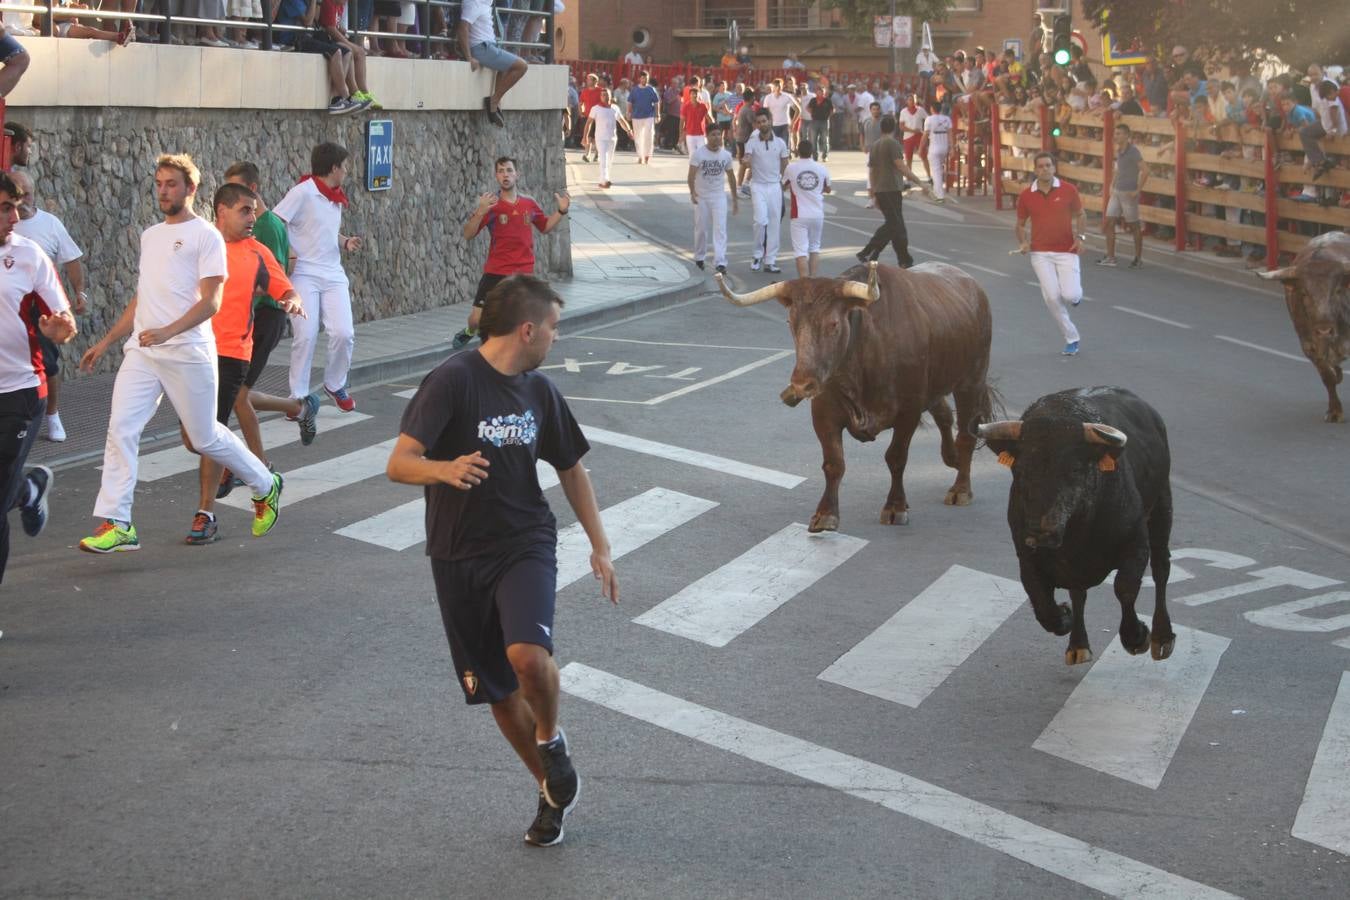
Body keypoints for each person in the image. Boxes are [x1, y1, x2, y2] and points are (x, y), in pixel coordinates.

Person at [385, 274, 618, 848]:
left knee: (527, 657)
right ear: (527, 329)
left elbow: (570, 467)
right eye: (554, 329)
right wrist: (442, 469)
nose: (556, 340)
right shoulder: (452, 381)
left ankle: (550, 739)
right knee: (494, 687)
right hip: (457, 552)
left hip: (525, 543)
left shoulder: (539, 392)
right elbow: (399, 461)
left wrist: (600, 543)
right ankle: (550, 789)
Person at [77, 154, 284, 553]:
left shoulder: (206, 236)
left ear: (190, 189)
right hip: (143, 351)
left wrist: (168, 331)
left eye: (171, 183)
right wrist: (107, 342)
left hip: (188, 351)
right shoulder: (151, 235)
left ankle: (264, 483)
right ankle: (118, 523)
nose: (163, 191)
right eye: (158, 183)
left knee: (204, 436)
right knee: (121, 428)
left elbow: (212, 302)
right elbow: (144, 296)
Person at [185, 183, 307, 545]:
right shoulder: (200, 244)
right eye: (245, 210)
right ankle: (250, 468)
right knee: (194, 439)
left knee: (208, 432)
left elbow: (287, 288)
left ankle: (205, 515)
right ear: (221, 210)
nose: (253, 217)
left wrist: (292, 301)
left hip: (231, 353)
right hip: (193, 351)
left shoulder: (257, 253)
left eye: (254, 210)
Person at [219, 162, 321, 489]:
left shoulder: (268, 228)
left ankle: (258, 467)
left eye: (241, 193)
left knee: (239, 397)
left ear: (254, 190)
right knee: (241, 396)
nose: (236, 202)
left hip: (265, 317)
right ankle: (299, 407)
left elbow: (272, 278)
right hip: (240, 321)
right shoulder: (227, 231)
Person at [0, 171, 76, 592]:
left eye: (15, 206)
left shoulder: (28, 255)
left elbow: (65, 320)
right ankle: (29, 490)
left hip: (20, 393)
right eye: (5, 207)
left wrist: (59, 330)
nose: (14, 216)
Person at [272, 143, 363, 417]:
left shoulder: (333, 196)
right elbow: (276, 221)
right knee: (306, 334)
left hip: (333, 273)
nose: (346, 172)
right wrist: (286, 253)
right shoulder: (303, 192)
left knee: (344, 333)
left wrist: (344, 241)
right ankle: (297, 398)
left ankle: (335, 384)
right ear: (333, 168)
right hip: (304, 274)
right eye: (344, 167)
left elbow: (322, 230)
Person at [451, 158, 569, 349]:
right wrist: (480, 212)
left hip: (523, 273)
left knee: (519, 319)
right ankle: (469, 332)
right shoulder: (491, 206)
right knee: (475, 320)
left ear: (516, 174)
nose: (505, 174)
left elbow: (545, 226)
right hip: (496, 271)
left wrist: (561, 212)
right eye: (500, 171)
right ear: (496, 176)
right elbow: (468, 234)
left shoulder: (528, 204)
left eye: (509, 170)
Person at [11, 171, 86, 443]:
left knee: (49, 363)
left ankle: (52, 415)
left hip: (40, 303)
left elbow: (72, 259)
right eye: (14, 198)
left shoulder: (49, 225)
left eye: (26, 194)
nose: (21, 204)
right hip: (10, 302)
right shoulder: (8, 227)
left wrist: (79, 293)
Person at [1016, 152, 1086, 356]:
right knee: (1052, 298)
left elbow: (1081, 214)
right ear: (1035, 170)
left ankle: (1076, 296)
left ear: (1054, 168)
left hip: (1067, 251)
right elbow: (1020, 224)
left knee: (1070, 294)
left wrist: (1081, 238)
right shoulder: (1026, 195)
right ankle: (1071, 338)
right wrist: (1023, 243)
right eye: (1041, 166)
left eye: (1048, 165)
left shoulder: (1068, 190)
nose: (1045, 169)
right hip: (1040, 254)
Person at [858, 115, 931, 268]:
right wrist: (919, 182)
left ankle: (902, 259)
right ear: (894, 128)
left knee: (896, 226)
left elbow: (871, 171)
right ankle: (870, 250)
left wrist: (873, 192)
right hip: (891, 188)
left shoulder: (876, 145)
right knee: (895, 224)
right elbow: (900, 166)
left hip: (880, 188)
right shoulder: (893, 144)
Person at [458, 0, 528, 127]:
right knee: (522, 66)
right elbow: (463, 28)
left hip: (489, 46)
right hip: (482, 48)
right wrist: (469, 58)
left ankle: (495, 104)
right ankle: (494, 101)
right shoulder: (474, 3)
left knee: (508, 67)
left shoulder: (485, 3)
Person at [738, 109, 790, 274]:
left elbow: (785, 163)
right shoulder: (752, 141)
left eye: (764, 121)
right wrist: (745, 161)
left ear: (770, 121)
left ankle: (770, 260)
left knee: (774, 223)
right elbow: (747, 158)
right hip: (758, 185)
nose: (761, 124)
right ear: (756, 124)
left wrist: (784, 182)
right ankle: (757, 255)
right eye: (758, 122)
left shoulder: (780, 143)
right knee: (761, 221)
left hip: (774, 186)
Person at [687, 126, 738, 274]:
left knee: (720, 229)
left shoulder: (726, 156)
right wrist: (692, 192)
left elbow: (731, 177)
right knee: (701, 228)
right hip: (702, 197)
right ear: (707, 136)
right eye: (713, 135)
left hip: (718, 197)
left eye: (719, 134)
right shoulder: (699, 154)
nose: (717, 137)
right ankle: (699, 258)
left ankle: (720, 262)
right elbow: (691, 175)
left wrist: (735, 199)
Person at [1098, 123, 1149, 269]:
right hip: (1118, 191)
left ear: (1127, 135)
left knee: (1134, 225)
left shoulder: (1133, 151)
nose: (1116, 136)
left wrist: (1138, 190)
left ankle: (1138, 258)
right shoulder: (1120, 150)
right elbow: (1118, 169)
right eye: (1115, 133)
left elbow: (1145, 170)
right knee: (1109, 222)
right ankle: (1110, 257)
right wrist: (1111, 185)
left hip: (1128, 193)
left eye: (1119, 133)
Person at [783, 140, 830, 277]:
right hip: (817, 214)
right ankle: (813, 279)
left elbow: (783, 185)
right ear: (812, 151)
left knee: (800, 251)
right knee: (815, 248)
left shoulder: (791, 168)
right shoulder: (821, 168)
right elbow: (828, 189)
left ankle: (804, 283)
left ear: (798, 151)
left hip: (799, 215)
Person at [583, 88, 633, 189]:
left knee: (609, 160)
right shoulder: (596, 108)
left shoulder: (615, 108)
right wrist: (585, 137)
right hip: (601, 138)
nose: (605, 97)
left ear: (611, 96)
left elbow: (622, 121)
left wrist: (629, 130)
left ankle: (603, 180)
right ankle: (605, 180)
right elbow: (588, 123)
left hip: (612, 138)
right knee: (604, 159)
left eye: (607, 95)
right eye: (603, 95)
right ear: (600, 97)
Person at [920, 101, 953, 202]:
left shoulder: (929, 119)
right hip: (944, 148)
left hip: (934, 148)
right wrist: (951, 148)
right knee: (939, 170)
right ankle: (936, 190)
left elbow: (925, 135)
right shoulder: (947, 119)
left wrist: (921, 147)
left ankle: (939, 195)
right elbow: (950, 134)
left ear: (932, 109)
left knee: (936, 172)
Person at [627, 71, 661, 165]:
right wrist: (629, 112)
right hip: (636, 116)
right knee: (638, 137)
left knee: (648, 136)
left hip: (649, 116)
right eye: (642, 78)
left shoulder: (651, 89)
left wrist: (657, 114)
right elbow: (630, 102)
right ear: (639, 79)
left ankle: (647, 155)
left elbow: (657, 102)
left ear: (648, 78)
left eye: (646, 78)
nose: (644, 79)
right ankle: (640, 155)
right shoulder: (635, 90)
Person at [897, 93, 929, 187]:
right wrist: (912, 130)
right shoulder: (903, 112)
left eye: (913, 99)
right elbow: (901, 126)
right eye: (910, 99)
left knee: (924, 156)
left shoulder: (920, 110)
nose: (912, 101)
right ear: (907, 101)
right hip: (908, 137)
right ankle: (908, 179)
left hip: (919, 136)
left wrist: (924, 130)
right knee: (908, 159)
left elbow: (928, 119)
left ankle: (929, 177)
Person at [681, 82, 712, 157]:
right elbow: (682, 121)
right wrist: (681, 133)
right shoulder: (686, 106)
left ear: (699, 95)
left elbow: (709, 118)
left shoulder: (703, 106)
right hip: (690, 134)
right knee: (692, 155)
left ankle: (701, 168)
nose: (694, 95)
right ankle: (693, 168)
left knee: (703, 154)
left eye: (696, 94)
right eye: (692, 94)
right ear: (690, 95)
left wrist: (712, 130)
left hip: (701, 134)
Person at [763, 78, 798, 143]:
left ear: (782, 86)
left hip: (785, 124)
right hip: (773, 125)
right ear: (773, 87)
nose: (778, 87)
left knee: (785, 145)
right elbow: (765, 112)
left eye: (779, 86)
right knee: (774, 144)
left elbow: (798, 110)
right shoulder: (768, 98)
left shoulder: (787, 96)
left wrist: (793, 123)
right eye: (776, 86)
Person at [805, 84, 833, 161]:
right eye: (819, 91)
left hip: (824, 121)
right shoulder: (813, 100)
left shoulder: (827, 100)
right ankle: (815, 156)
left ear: (824, 92)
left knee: (825, 139)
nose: (820, 93)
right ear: (816, 92)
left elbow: (832, 110)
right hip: (814, 121)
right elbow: (808, 108)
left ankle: (825, 156)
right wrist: (813, 114)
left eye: (822, 91)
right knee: (813, 140)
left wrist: (827, 117)